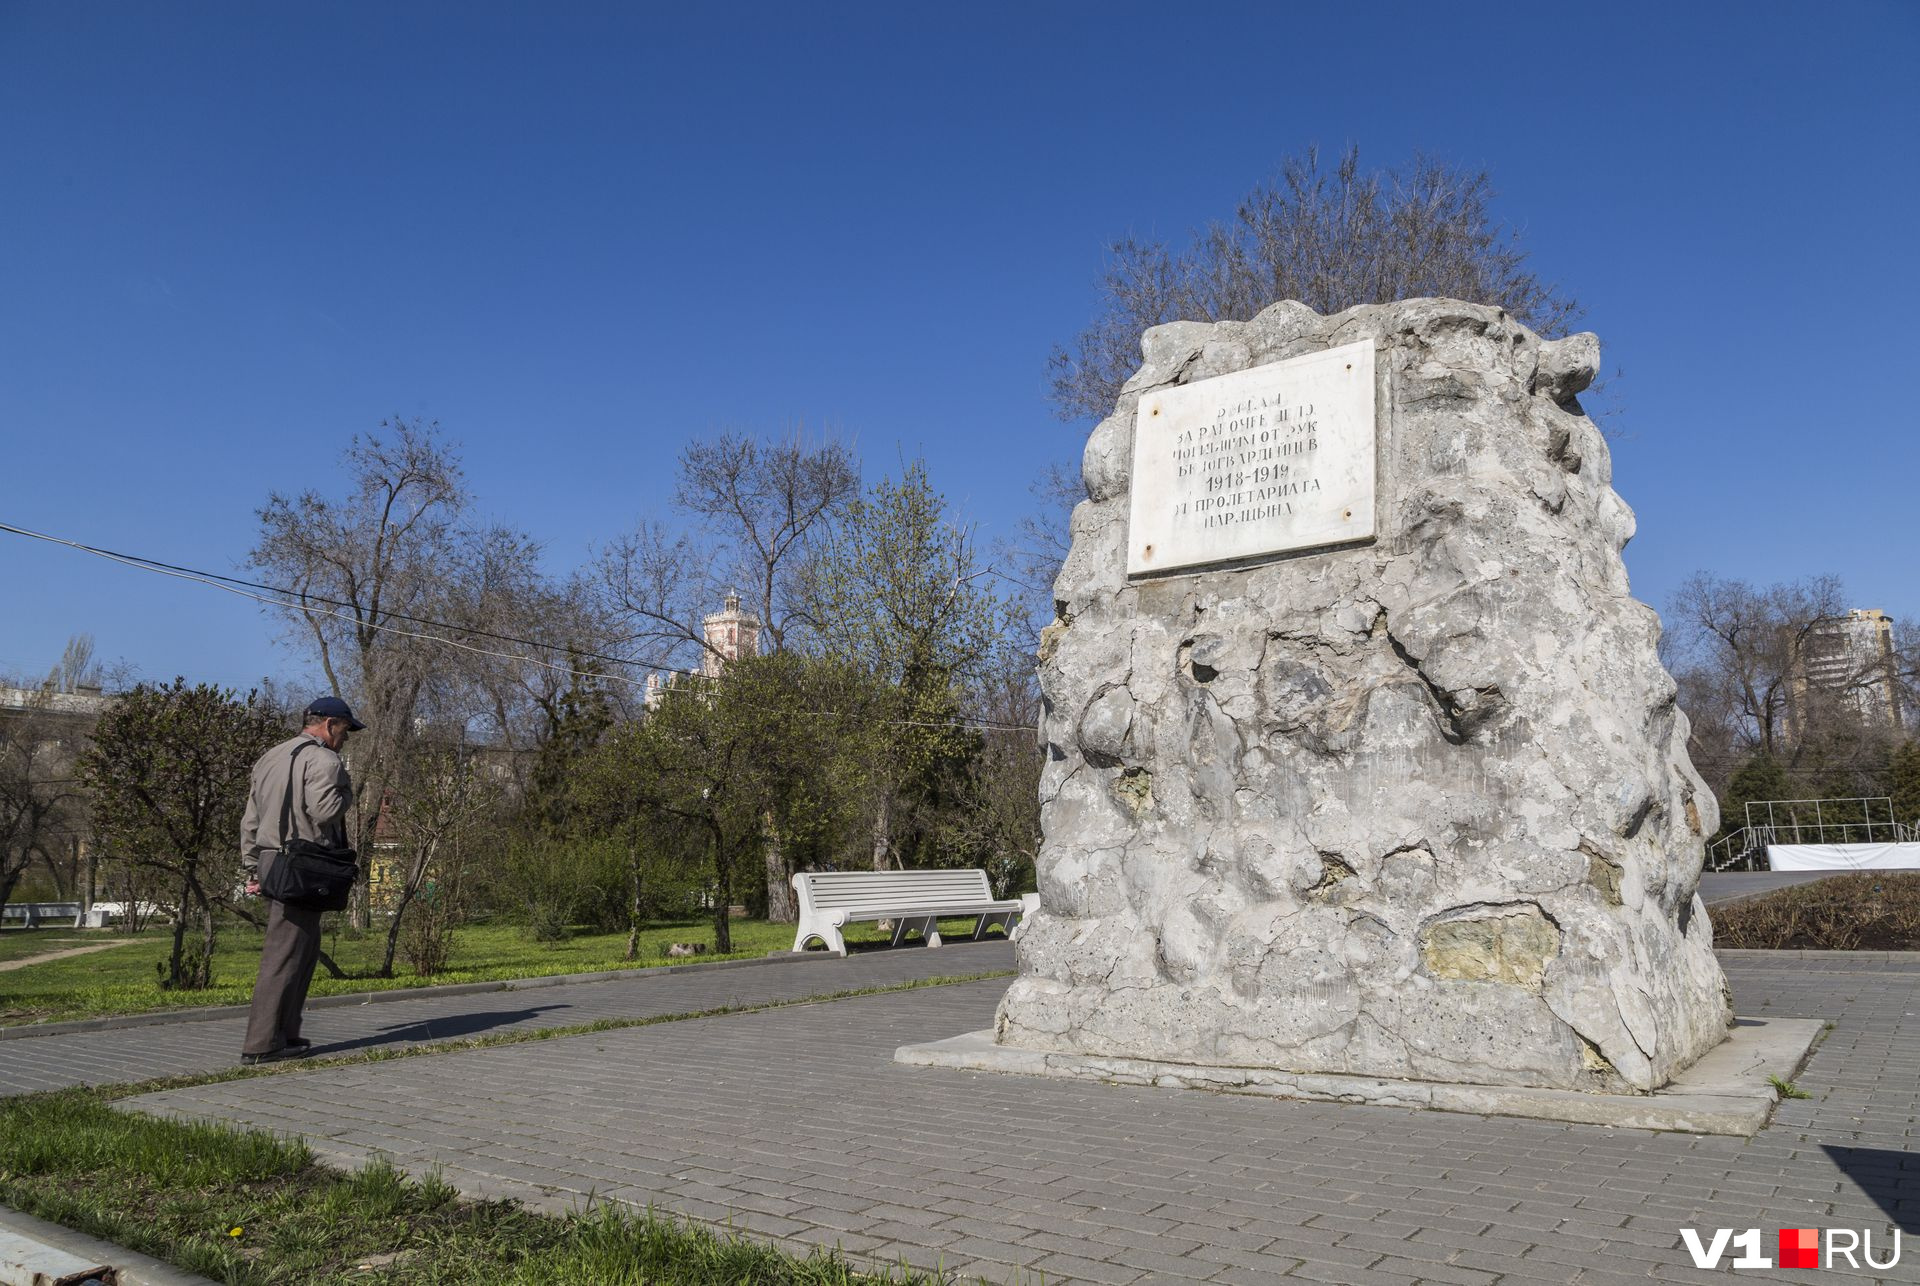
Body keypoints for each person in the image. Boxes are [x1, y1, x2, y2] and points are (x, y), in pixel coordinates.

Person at [238, 696, 363, 1064]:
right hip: (302, 864)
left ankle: (285, 1034)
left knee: (301, 951)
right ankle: (262, 1044)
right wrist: (346, 789)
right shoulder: (324, 759)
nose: (345, 738)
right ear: (329, 724)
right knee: (285, 955)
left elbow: (250, 819)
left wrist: (253, 866)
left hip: (271, 859)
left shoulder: (270, 757)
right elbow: (325, 810)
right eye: (345, 730)